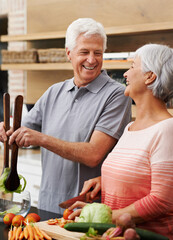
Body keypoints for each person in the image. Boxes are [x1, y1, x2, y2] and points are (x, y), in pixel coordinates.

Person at [0, 18, 131, 214]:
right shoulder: (55, 91)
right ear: (69, 53)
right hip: (47, 204)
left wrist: (41, 138)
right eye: (84, 52)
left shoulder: (117, 95)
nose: (92, 59)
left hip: (87, 211)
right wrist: (6, 130)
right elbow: (20, 133)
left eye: (98, 53)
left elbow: (93, 155)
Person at [68, 43, 173, 239]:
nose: (125, 74)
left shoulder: (167, 129)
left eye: (132, 66)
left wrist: (104, 217)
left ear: (150, 76)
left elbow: (162, 200)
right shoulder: (129, 129)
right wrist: (107, 181)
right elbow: (142, 175)